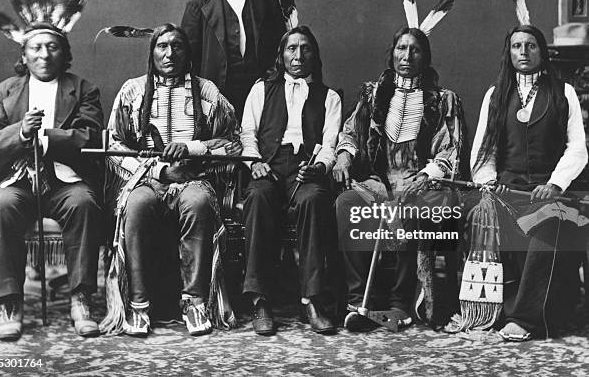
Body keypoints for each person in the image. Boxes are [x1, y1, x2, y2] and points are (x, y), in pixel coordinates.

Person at [99, 23, 240, 337]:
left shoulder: (208, 92)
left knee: (199, 201)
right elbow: (115, 146)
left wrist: (192, 149)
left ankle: (196, 301)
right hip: (146, 179)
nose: (169, 52)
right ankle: (137, 304)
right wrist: (157, 171)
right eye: (162, 46)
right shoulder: (132, 91)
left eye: (177, 46)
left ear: (187, 52)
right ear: (152, 53)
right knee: (135, 205)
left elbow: (233, 140)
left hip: (194, 179)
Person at [0, 0, 103, 340]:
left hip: (65, 180)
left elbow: (90, 137)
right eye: (36, 48)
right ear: (23, 54)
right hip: (17, 180)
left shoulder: (82, 90)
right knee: (2, 206)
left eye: (52, 47)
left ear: (64, 53)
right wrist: (20, 132)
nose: (44, 54)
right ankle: (11, 304)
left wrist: (46, 136)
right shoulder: (2, 93)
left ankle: (81, 299)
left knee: (84, 203)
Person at [334, 19, 466, 331]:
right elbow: (351, 134)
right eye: (401, 48)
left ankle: (399, 301)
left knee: (413, 209)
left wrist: (426, 174)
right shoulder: (373, 94)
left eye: (415, 50)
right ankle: (358, 298)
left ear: (426, 57)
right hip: (378, 182)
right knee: (346, 203)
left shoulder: (443, 99)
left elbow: (450, 150)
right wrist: (342, 157)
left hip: (420, 182)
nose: (407, 55)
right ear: (392, 53)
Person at [471, 24, 588, 341]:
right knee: (491, 219)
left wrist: (555, 184)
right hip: (508, 191)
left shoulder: (564, 93)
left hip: (551, 194)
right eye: (517, 46)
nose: (523, 52)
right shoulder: (496, 95)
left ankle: (527, 319)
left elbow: (577, 148)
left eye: (531, 46)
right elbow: (485, 148)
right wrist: (488, 182)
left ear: (542, 51)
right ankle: (498, 312)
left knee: (548, 224)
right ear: (508, 53)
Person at [240, 25, 342, 335]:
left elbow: (330, 144)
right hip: (268, 164)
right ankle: (259, 300)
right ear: (282, 55)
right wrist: (254, 162)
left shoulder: (330, 97)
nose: (298, 55)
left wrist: (321, 168)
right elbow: (247, 133)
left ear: (315, 55)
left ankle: (310, 298)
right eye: (291, 48)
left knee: (313, 199)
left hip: (305, 169)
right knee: (257, 198)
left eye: (305, 48)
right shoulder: (262, 89)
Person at [181, 0, 287, 116]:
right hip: (214, 97)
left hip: (261, 93)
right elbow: (188, 58)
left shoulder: (267, 0)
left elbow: (280, 49)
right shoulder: (198, 4)